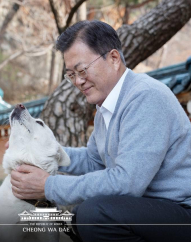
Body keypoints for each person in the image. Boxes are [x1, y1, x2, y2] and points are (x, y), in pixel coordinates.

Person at [10, 20, 191, 242]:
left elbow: (127, 182)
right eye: (71, 74)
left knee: (94, 214)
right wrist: (43, 152)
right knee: (69, 219)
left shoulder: (146, 97)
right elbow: (94, 161)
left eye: (82, 70)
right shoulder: (107, 106)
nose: (78, 81)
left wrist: (48, 186)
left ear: (114, 58)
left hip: (180, 211)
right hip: (145, 211)